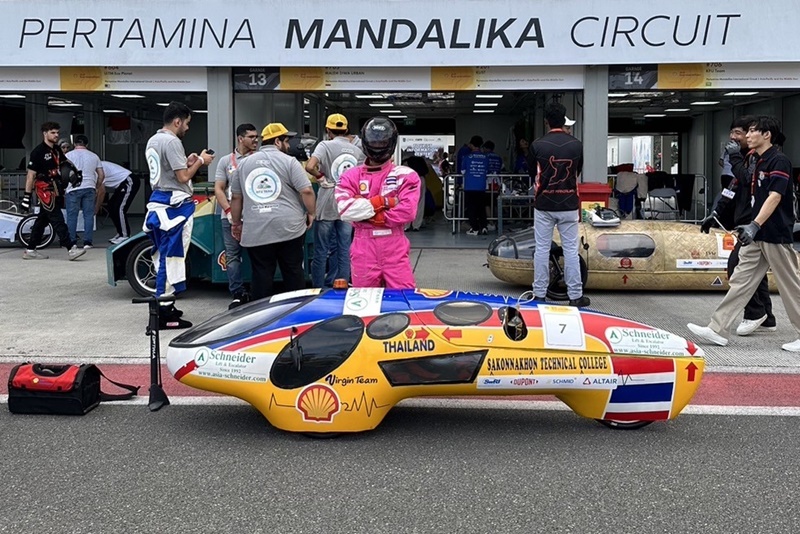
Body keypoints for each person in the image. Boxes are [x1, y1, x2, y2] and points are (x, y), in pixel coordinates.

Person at [688, 116, 800, 352]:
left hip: (774, 233)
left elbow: (775, 196)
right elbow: (737, 185)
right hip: (755, 234)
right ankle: (718, 328)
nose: (747, 136)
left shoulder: (779, 161)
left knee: (790, 284)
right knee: (741, 280)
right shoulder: (756, 160)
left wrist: (755, 224)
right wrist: (716, 212)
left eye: (752, 131)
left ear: (766, 135)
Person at [699, 115, 776, 335]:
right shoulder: (745, 158)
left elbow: (747, 180)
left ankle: (755, 313)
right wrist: (715, 212)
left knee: (740, 267)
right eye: (732, 132)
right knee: (751, 271)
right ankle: (764, 316)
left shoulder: (761, 158)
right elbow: (732, 186)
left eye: (740, 133)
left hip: (761, 226)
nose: (734, 137)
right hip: (748, 225)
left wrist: (734, 158)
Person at [144, 101, 214, 329]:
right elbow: (183, 178)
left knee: (164, 256)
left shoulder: (154, 140)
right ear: (177, 121)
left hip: (159, 203)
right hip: (174, 207)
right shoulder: (172, 141)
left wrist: (187, 162)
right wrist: (200, 162)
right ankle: (164, 311)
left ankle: (166, 305)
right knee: (171, 258)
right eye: (186, 123)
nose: (187, 128)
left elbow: (172, 172)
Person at [229, 123, 316, 301]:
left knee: (261, 274)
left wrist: (236, 223)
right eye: (286, 141)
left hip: (256, 229)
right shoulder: (289, 161)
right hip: (289, 228)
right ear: (277, 141)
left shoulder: (243, 164)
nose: (288, 145)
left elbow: (236, 198)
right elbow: (306, 190)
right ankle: (296, 309)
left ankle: (260, 313)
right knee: (293, 272)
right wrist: (311, 213)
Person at [336, 117, 421, 288]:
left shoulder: (406, 175)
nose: (378, 145)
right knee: (363, 300)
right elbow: (346, 210)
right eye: (374, 141)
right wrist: (382, 201)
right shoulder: (350, 176)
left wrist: (365, 212)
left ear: (391, 143)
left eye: (382, 141)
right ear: (366, 142)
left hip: (395, 248)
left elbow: (407, 211)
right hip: (363, 249)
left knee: (403, 299)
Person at [528, 102, 588, 307]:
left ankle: (539, 295)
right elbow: (577, 171)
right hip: (569, 204)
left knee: (542, 249)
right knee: (571, 250)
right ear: (563, 120)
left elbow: (532, 173)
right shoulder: (576, 145)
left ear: (546, 122)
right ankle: (575, 296)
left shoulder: (537, 145)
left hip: (544, 204)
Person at [305, 113, 365, 288]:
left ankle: (318, 288)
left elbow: (310, 166)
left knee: (321, 250)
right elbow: (363, 174)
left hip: (327, 202)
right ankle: (342, 286)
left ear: (328, 130)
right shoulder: (357, 150)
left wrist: (320, 177)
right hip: (347, 203)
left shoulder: (324, 146)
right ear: (346, 130)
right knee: (344, 249)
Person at [20, 121, 86, 261]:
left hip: (56, 189)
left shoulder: (56, 149)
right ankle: (71, 248)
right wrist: (26, 197)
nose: (56, 135)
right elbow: (30, 176)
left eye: (57, 132)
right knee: (58, 219)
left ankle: (30, 250)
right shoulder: (37, 152)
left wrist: (76, 172)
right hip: (44, 190)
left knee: (42, 221)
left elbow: (66, 162)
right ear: (45, 134)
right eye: (53, 132)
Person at [214, 123, 258, 309]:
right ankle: (237, 293)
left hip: (255, 217)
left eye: (257, 137)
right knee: (232, 256)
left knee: (258, 255)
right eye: (251, 137)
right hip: (230, 217)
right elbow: (219, 188)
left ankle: (258, 292)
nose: (256, 140)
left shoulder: (258, 159)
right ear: (240, 138)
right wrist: (229, 211)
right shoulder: (226, 161)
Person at [65, 135, 104, 249]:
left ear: (74, 144)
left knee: (72, 216)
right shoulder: (94, 156)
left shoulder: (68, 155)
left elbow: (62, 173)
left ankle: (72, 242)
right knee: (88, 216)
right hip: (89, 187)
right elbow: (101, 175)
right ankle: (88, 242)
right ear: (87, 144)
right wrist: (96, 186)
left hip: (73, 188)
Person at [102, 160, 140, 244]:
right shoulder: (96, 166)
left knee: (120, 208)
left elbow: (101, 191)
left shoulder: (97, 167)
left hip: (128, 180)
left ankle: (125, 235)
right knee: (111, 206)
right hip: (121, 184)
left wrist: (96, 207)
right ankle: (120, 232)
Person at [461, 135, 489, 235]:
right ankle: (484, 227)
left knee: (471, 208)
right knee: (481, 207)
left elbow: (463, 171)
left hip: (470, 186)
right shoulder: (485, 157)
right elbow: (487, 171)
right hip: (481, 186)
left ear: (472, 145)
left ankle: (475, 228)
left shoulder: (467, 157)